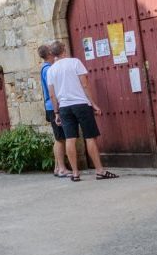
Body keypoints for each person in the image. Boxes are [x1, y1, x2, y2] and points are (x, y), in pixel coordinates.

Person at [44, 40, 117, 182]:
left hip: (64, 107)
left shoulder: (51, 70)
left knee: (70, 139)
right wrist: (94, 104)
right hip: (81, 104)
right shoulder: (75, 62)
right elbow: (84, 84)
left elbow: (52, 94)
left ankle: (76, 173)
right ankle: (100, 171)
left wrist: (57, 112)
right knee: (90, 137)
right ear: (64, 49)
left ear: (53, 54)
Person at [36, 44, 70, 178]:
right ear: (50, 53)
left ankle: (57, 167)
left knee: (58, 138)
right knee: (60, 138)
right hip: (53, 106)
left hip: (51, 106)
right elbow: (52, 91)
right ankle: (62, 168)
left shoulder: (47, 68)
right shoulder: (48, 69)